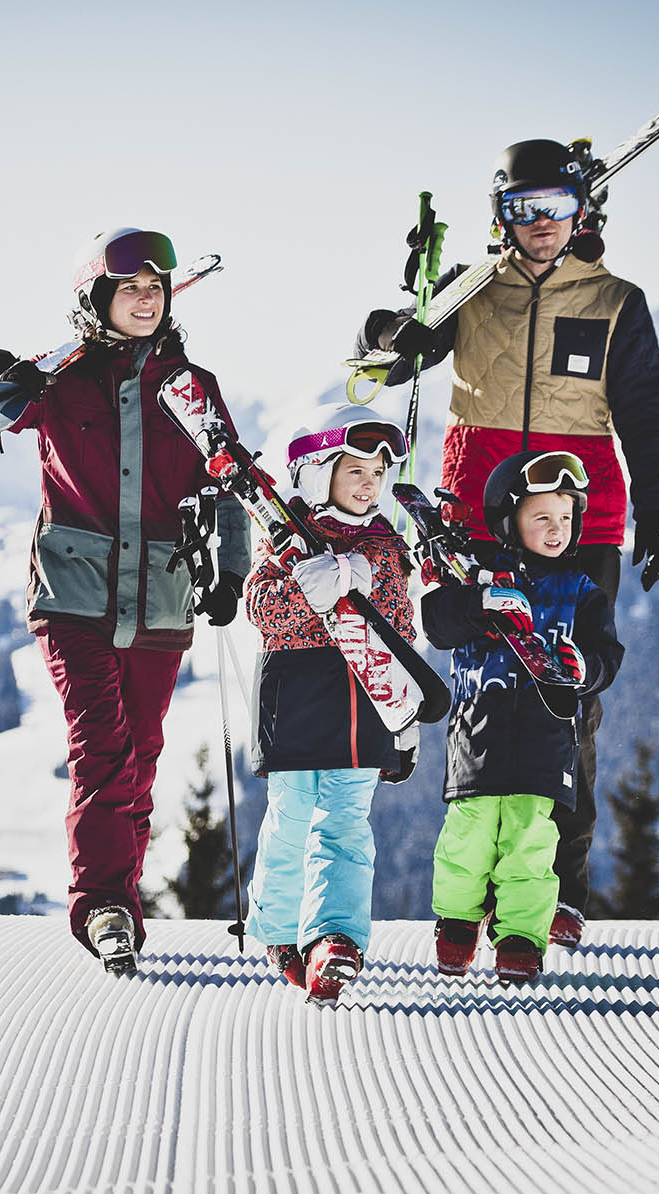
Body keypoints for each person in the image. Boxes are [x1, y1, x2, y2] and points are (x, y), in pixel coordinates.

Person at [354, 137, 659, 949]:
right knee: (479, 691)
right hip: (475, 516)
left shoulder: (615, 301)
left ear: (582, 214)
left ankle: (554, 889)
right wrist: (394, 325)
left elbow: (644, 414)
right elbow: (392, 363)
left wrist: (658, 511)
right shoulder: (472, 289)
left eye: (557, 209)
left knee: (569, 699)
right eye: (523, 209)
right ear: (501, 215)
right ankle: (477, 884)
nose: (541, 225)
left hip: (578, 520)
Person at [0, 227, 249, 974]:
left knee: (142, 756)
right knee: (103, 745)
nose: (146, 299)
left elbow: (228, 484)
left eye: (155, 288)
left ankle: (120, 901)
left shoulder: (194, 386)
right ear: (98, 297)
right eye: (130, 288)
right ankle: (102, 908)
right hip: (73, 590)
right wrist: (2, 379)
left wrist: (231, 570)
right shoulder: (59, 380)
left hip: (160, 595)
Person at [420, 450, 623, 985]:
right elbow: (437, 624)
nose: (557, 529)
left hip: (546, 737)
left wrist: (586, 667)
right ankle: (459, 923)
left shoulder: (581, 592)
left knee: (531, 842)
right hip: (476, 734)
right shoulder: (478, 577)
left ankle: (519, 937)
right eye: (541, 518)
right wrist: (481, 600)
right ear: (510, 522)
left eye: (565, 517)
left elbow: (608, 655)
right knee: (469, 836)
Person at [241, 404, 418, 1006]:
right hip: (296, 704)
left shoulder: (387, 543)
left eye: (378, 473)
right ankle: (279, 930)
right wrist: (309, 588)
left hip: (365, 709)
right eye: (355, 471)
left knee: (345, 824)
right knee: (292, 818)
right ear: (319, 473)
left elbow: (400, 621)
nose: (369, 485)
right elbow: (265, 614)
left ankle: (335, 937)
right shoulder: (283, 537)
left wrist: (358, 579)